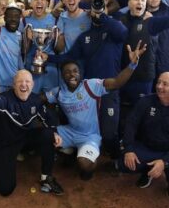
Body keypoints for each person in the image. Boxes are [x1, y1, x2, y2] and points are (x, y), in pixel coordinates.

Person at [45, 41, 146, 180]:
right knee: (42, 134)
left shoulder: (90, 85)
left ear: (80, 73)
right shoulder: (58, 92)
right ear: (62, 76)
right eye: (67, 72)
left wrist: (133, 64)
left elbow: (116, 82)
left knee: (85, 165)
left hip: (90, 136)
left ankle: (82, 157)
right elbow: (39, 100)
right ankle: (69, 150)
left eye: (75, 71)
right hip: (69, 132)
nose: (71, 74)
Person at [0, 68, 64, 196]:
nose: (24, 84)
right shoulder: (4, 100)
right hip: (5, 143)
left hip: (24, 138)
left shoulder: (35, 100)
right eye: (20, 81)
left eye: (27, 81)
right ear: (14, 85)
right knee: (5, 190)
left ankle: (46, 178)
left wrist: (54, 132)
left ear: (32, 85)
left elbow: (48, 117)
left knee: (48, 135)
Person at [119, 72, 169, 201]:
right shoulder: (145, 101)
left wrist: (165, 161)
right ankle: (147, 171)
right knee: (123, 163)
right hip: (147, 147)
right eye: (158, 82)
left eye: (165, 84)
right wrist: (129, 149)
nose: (159, 86)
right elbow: (131, 124)